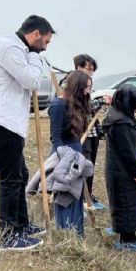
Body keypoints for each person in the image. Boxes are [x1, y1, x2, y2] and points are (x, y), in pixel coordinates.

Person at [0, 15, 55, 251]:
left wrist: (33, 56)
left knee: (20, 175)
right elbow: (32, 81)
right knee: (11, 179)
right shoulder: (9, 48)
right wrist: (36, 58)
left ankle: (22, 225)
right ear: (35, 34)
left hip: (6, 123)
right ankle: (9, 236)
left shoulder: (16, 49)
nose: (45, 47)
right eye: (45, 41)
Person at [103, 85, 136, 252]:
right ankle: (126, 240)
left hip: (119, 168)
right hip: (122, 170)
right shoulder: (120, 123)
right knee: (126, 202)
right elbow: (126, 152)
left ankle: (123, 231)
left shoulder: (118, 114)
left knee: (125, 201)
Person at [48, 70, 93, 237]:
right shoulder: (58, 106)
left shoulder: (76, 105)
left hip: (76, 154)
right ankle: (66, 235)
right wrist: (64, 161)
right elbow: (56, 138)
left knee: (76, 194)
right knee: (65, 195)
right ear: (77, 87)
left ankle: (76, 234)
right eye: (86, 88)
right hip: (64, 157)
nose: (88, 91)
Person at [73, 54, 110, 212]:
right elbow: (82, 106)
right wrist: (102, 101)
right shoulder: (72, 83)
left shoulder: (86, 84)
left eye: (92, 70)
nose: (91, 73)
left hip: (92, 132)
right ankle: (81, 199)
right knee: (83, 165)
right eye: (89, 69)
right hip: (82, 133)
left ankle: (89, 197)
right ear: (79, 67)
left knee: (90, 166)